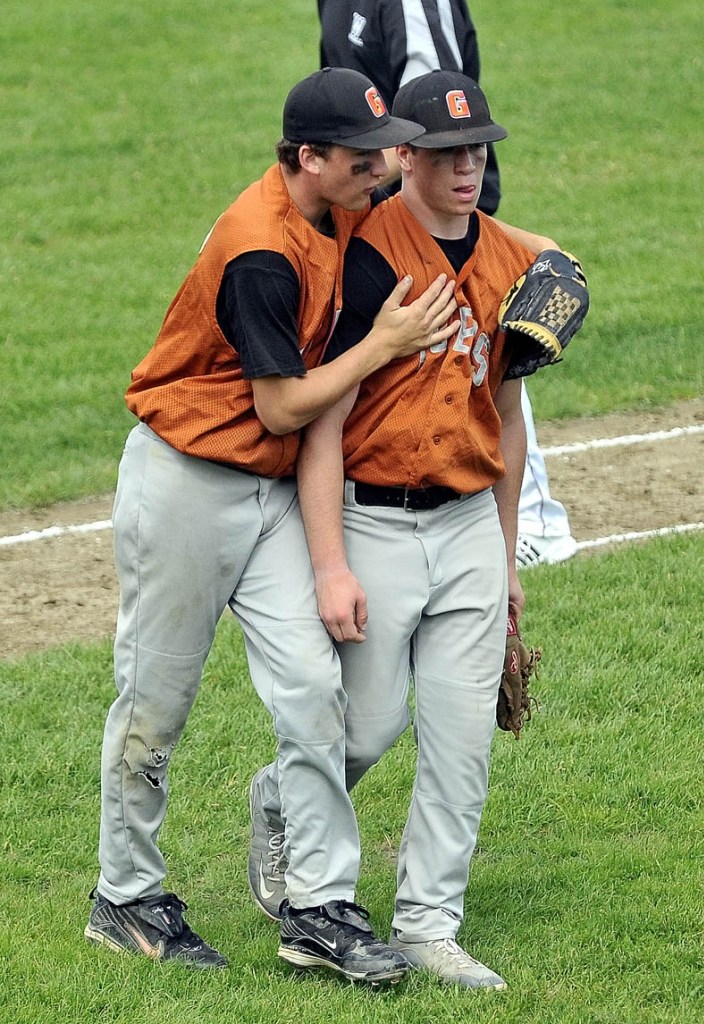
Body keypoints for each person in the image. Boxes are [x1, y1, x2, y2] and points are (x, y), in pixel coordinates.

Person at [84, 67, 460, 982]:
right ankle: (126, 896)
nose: (383, 167)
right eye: (365, 156)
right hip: (187, 487)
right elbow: (284, 407)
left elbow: (446, 216)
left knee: (311, 688)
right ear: (308, 158)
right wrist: (381, 347)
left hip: (272, 494)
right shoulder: (260, 248)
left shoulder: (340, 210)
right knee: (155, 703)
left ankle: (319, 905)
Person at [293, 70, 581, 989]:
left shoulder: (506, 260)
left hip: (463, 522)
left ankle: (427, 922)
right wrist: (329, 562)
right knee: (368, 726)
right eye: (447, 153)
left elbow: (504, 408)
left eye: (479, 151)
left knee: (460, 740)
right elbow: (325, 417)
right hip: (371, 518)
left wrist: (503, 557)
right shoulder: (365, 252)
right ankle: (285, 802)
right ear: (402, 156)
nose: (467, 169)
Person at [316, 0, 577, 566]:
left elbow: (443, 116)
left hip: (432, 218)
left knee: (480, 359)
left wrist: (501, 238)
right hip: (385, 212)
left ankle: (533, 520)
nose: (469, 160)